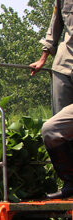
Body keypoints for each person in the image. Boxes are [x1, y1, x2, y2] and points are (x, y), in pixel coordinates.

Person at [30, 0, 73, 199]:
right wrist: (43, 58)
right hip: (65, 64)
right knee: (57, 128)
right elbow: (55, 23)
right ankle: (70, 183)